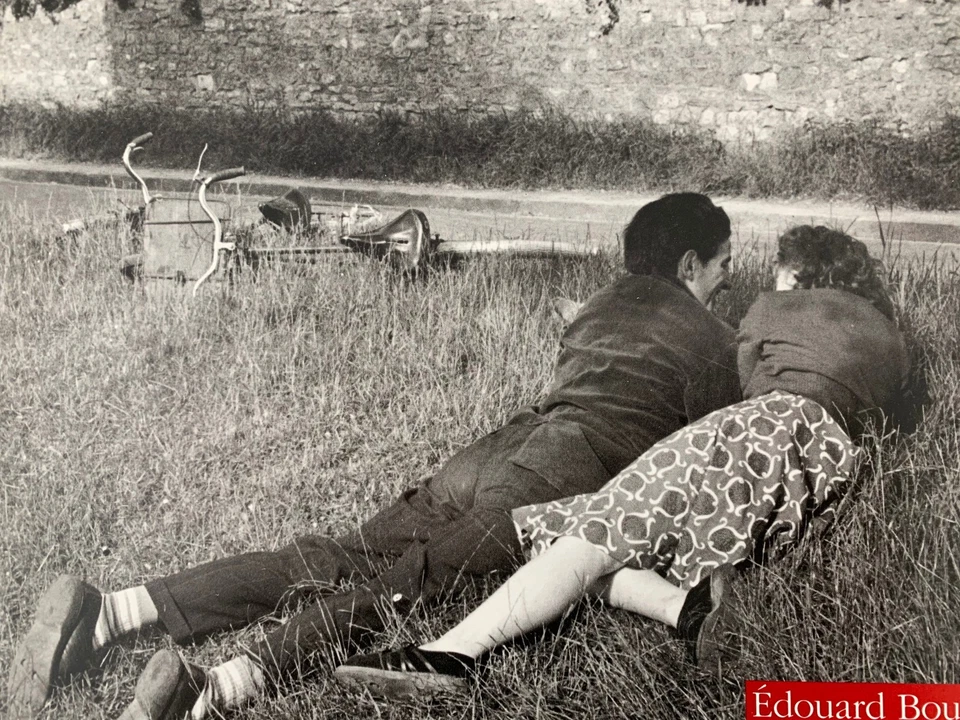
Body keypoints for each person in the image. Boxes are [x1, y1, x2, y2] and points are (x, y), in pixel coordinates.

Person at [6, 193, 742, 720]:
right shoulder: (711, 339)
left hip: (494, 450)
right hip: (554, 473)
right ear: (687, 263)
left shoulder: (599, 306)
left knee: (332, 554)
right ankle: (220, 689)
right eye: (720, 267)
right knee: (406, 586)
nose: (725, 281)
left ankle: (114, 610)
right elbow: (705, 447)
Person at [333, 225, 909, 698]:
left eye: (781, 271)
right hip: (820, 463)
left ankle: (448, 655)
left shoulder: (776, 308)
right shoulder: (892, 341)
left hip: (756, 428)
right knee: (569, 525)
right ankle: (693, 611)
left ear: (801, 274)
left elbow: (729, 376)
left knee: (600, 526)